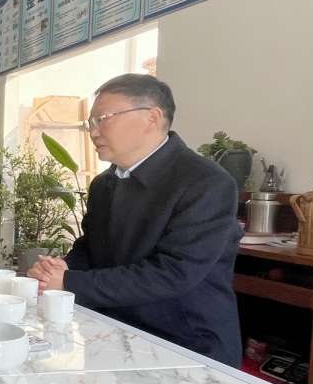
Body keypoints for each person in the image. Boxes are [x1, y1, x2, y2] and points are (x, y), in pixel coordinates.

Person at [28, 73, 241, 367]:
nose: (93, 131)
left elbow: (173, 272)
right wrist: (63, 267)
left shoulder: (205, 183)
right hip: (112, 330)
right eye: (91, 123)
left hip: (186, 345)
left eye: (103, 119)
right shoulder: (104, 185)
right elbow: (91, 248)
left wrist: (69, 281)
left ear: (152, 117)